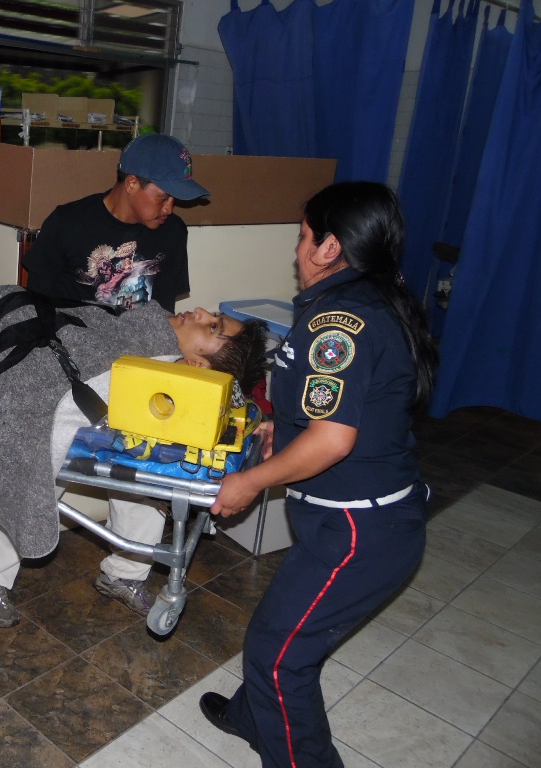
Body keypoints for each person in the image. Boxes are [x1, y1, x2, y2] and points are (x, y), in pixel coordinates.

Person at [198, 182, 437, 768]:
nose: (297, 249)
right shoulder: (371, 301)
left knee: (279, 657)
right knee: (281, 629)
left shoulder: (340, 319)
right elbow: (347, 410)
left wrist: (250, 482)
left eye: (304, 237)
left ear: (331, 247)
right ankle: (251, 717)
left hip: (359, 532)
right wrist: (290, 428)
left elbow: (335, 438)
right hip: (363, 521)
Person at [0, 285, 268, 627]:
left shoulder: (176, 366)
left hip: (116, 404)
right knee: (32, 479)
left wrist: (248, 420)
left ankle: (124, 573)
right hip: (56, 390)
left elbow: (228, 395)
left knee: (151, 478)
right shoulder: (148, 326)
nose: (200, 312)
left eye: (213, 327)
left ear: (197, 365)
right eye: (214, 317)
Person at [22, 132, 208, 311]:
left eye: (174, 199)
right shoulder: (67, 223)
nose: (169, 208)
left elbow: (163, 312)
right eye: (164, 197)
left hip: (138, 340)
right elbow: (35, 305)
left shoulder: (172, 231)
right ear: (131, 183)